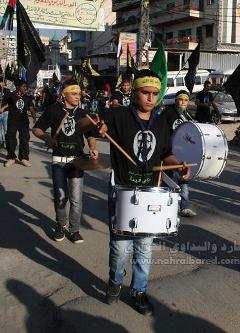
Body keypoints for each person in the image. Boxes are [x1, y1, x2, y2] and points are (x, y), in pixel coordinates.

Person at [79, 69, 191, 316]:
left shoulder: (161, 121)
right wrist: (96, 128)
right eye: (145, 92)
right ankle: (115, 279)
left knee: (144, 248)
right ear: (135, 92)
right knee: (120, 248)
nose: (150, 98)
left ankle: (139, 291)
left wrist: (179, 165)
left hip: (151, 192)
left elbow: (165, 153)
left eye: (154, 93)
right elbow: (84, 124)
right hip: (123, 189)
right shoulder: (118, 115)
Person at [32, 80, 98, 243]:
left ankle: (74, 230)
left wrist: (93, 147)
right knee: (61, 197)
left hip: (77, 161)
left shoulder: (83, 113)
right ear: (64, 94)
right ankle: (60, 226)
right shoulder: (53, 110)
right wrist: (46, 137)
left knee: (76, 199)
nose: (78, 96)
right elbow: (36, 129)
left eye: (79, 94)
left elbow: (90, 135)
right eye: (74, 93)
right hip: (59, 161)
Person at [164, 90, 197, 217]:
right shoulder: (169, 112)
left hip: (183, 152)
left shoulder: (187, 115)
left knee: (183, 179)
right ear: (176, 100)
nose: (183, 102)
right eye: (180, 99)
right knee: (168, 180)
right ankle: (168, 206)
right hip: (169, 152)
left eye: (185, 100)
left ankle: (185, 206)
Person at [1, 80, 37, 167]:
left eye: (26, 87)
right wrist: (2, 108)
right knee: (10, 139)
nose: (25, 88)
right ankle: (11, 158)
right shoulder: (12, 95)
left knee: (24, 139)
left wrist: (34, 118)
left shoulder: (27, 97)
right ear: (18, 87)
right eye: (23, 86)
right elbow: (7, 104)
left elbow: (31, 108)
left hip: (23, 121)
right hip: (12, 120)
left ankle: (24, 158)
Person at [0, 81, 11, 149]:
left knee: (6, 129)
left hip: (5, 113)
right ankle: (1, 142)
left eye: (1, 82)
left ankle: (8, 144)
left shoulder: (7, 90)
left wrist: (3, 108)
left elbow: (10, 102)